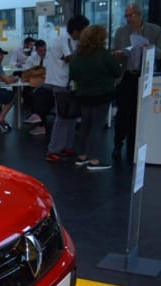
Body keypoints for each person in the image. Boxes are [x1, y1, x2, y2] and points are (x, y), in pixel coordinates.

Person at [111, 3, 161, 162]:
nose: (128, 19)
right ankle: (118, 144)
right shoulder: (121, 31)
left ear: (139, 15)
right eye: (126, 16)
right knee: (123, 112)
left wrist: (150, 47)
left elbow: (160, 53)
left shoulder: (155, 30)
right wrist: (118, 54)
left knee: (138, 114)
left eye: (131, 15)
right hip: (126, 75)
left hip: (144, 76)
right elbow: (114, 50)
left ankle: (133, 147)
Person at [70, 25, 123, 170]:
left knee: (85, 124)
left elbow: (73, 74)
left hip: (83, 94)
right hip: (102, 94)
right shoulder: (103, 54)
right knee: (96, 126)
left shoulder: (78, 54)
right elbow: (117, 72)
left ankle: (81, 156)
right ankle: (94, 160)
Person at [43, 15, 90, 162]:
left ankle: (67, 146)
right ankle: (53, 150)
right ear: (76, 30)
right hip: (59, 82)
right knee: (62, 116)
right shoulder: (64, 40)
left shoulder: (74, 41)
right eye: (84, 30)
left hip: (67, 82)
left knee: (71, 115)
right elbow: (71, 58)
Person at [19, 39, 49, 135]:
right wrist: (36, 71)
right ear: (36, 50)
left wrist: (38, 72)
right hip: (36, 82)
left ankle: (40, 123)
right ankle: (35, 116)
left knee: (38, 96)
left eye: (44, 50)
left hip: (48, 83)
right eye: (40, 51)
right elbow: (25, 69)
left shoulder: (51, 56)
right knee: (27, 93)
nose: (43, 52)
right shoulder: (32, 57)